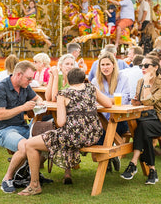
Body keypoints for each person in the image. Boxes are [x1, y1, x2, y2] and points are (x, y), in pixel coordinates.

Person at [21, 68, 112, 196]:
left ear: (68, 81)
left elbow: (61, 122)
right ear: (83, 79)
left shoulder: (63, 94)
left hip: (74, 136)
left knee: (30, 144)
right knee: (58, 136)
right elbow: (108, 103)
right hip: (93, 135)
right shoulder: (91, 88)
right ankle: (61, 173)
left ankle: (34, 185)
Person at [0, 61, 43, 193]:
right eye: (29, 78)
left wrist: (39, 103)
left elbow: (37, 98)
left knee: (47, 137)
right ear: (18, 74)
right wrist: (23, 108)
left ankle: (31, 174)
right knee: (25, 146)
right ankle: (7, 178)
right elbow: (0, 115)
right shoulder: (0, 88)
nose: (30, 82)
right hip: (3, 130)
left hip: (22, 127)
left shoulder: (25, 86)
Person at [120, 54, 161, 184]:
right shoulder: (140, 81)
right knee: (144, 131)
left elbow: (149, 102)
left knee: (143, 128)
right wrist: (135, 102)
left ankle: (134, 163)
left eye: (146, 65)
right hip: (145, 120)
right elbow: (140, 102)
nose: (143, 68)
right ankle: (152, 171)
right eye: (141, 66)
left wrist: (148, 84)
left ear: (155, 67)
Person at [92, 51, 130, 171]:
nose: (105, 67)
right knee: (99, 132)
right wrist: (108, 101)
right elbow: (93, 100)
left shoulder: (122, 78)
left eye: (108, 64)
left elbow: (124, 99)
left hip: (121, 120)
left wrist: (105, 100)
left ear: (114, 65)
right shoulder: (96, 81)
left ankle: (107, 159)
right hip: (102, 120)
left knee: (103, 133)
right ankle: (110, 158)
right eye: (102, 65)